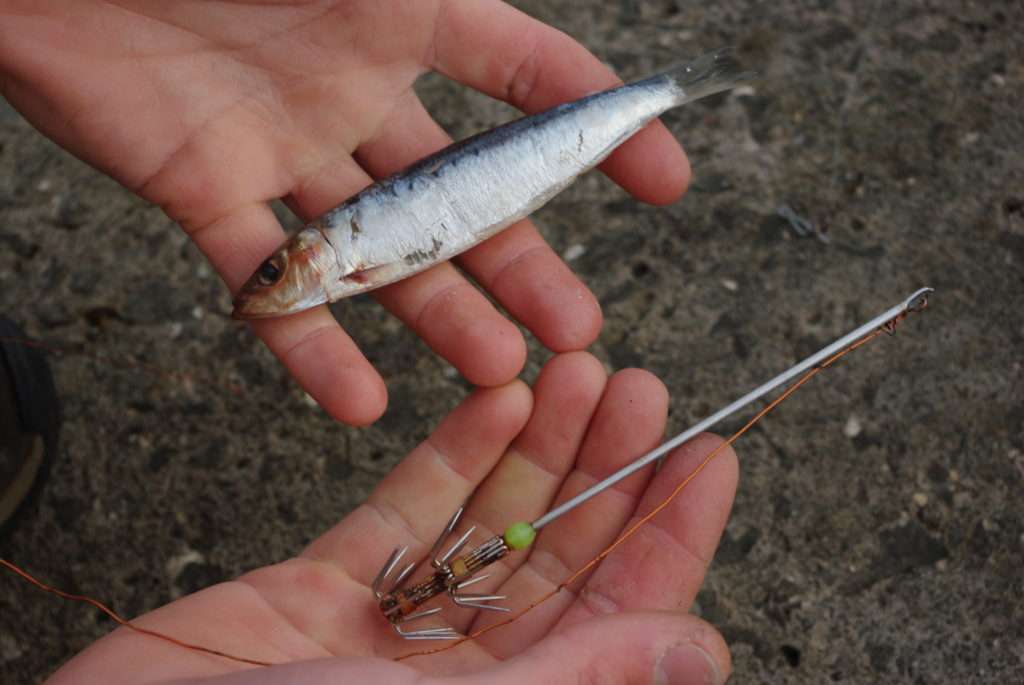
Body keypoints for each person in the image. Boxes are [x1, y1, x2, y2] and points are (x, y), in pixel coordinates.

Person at [1, 2, 735, 682]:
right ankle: (669, 89)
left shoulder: (341, 253)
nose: (263, 285)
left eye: (274, 268)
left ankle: (664, 91)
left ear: (312, 253)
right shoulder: (331, 262)